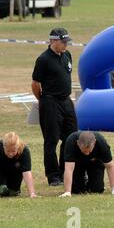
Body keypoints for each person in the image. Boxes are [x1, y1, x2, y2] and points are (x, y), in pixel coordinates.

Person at [31, 27, 78, 186]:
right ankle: (53, 175)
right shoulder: (43, 60)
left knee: (71, 138)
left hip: (66, 101)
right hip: (50, 102)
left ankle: (66, 169)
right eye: (63, 42)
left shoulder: (67, 55)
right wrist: (44, 100)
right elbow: (35, 84)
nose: (66, 45)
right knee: (51, 140)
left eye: (67, 42)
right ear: (53, 41)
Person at [59, 131, 114, 197]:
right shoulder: (71, 142)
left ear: (94, 143)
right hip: (77, 163)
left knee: (97, 189)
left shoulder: (101, 143)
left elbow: (110, 166)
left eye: (89, 151)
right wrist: (67, 191)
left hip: (95, 162)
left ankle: (89, 182)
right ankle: (82, 180)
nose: (87, 154)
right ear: (78, 143)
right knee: (76, 190)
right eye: (84, 151)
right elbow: (69, 168)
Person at [0, 133, 37, 198]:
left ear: (17, 147)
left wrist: (32, 193)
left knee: (13, 192)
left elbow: (27, 172)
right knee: (2, 189)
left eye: (13, 151)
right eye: (8, 151)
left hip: (15, 173)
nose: (11, 154)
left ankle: (12, 189)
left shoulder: (24, 151)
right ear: (3, 147)